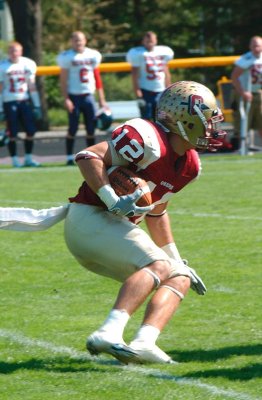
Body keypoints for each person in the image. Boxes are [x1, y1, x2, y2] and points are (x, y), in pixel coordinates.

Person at [0, 81, 226, 364]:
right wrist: (110, 196)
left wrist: (178, 259)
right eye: (206, 120)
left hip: (112, 228)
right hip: (89, 217)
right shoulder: (148, 137)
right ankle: (109, 332)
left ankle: (144, 342)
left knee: (177, 276)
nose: (211, 128)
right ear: (184, 119)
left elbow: (156, 212)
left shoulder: (190, 165)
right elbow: (88, 156)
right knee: (157, 265)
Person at [57, 31, 109, 166]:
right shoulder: (67, 57)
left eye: (80, 40)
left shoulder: (92, 55)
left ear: (85, 41)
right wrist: (66, 98)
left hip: (88, 96)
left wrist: (102, 99)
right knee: (72, 128)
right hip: (74, 96)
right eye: (75, 40)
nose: (78, 43)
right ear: (71, 41)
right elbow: (63, 80)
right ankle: (69, 156)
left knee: (91, 128)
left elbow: (97, 78)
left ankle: (91, 155)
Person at [0, 41, 42, 168]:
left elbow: (32, 85)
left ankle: (28, 158)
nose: (14, 53)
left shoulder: (28, 64)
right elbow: (0, 89)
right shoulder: (3, 66)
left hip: (24, 100)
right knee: (12, 133)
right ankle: (14, 160)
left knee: (30, 131)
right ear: (8, 52)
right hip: (9, 101)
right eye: (11, 51)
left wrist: (37, 105)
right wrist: (0, 108)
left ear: (21, 51)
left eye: (16, 50)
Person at [126, 31, 174, 120]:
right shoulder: (137, 53)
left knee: (162, 119)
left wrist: (168, 87)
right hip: (145, 90)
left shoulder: (162, 52)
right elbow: (134, 74)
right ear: (143, 41)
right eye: (147, 41)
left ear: (156, 41)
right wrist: (137, 91)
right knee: (146, 119)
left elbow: (166, 71)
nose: (149, 43)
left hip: (161, 91)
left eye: (151, 41)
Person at [230, 35, 262, 150]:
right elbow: (234, 77)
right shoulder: (245, 59)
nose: (256, 48)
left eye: (258, 45)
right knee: (243, 121)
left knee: (260, 119)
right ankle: (243, 147)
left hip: (258, 92)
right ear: (250, 47)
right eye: (253, 46)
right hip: (244, 92)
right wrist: (243, 92)